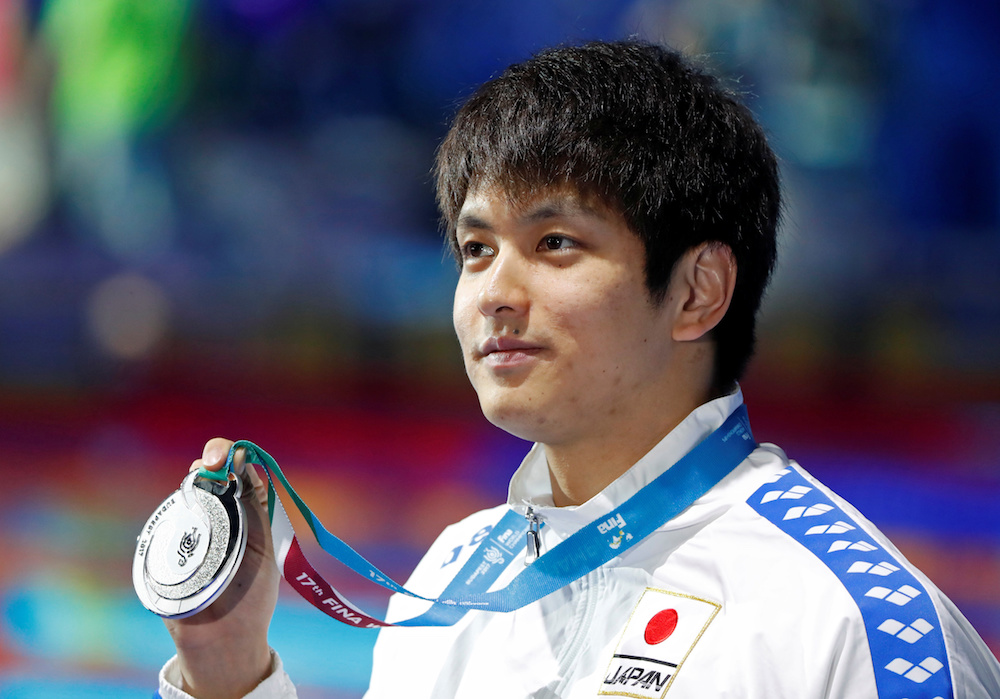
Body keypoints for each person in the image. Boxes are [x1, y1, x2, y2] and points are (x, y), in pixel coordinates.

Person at [156, 40, 1000, 698]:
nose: (495, 292)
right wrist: (227, 668)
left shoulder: (850, 629)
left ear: (697, 290)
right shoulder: (449, 581)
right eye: (476, 248)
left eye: (555, 243)